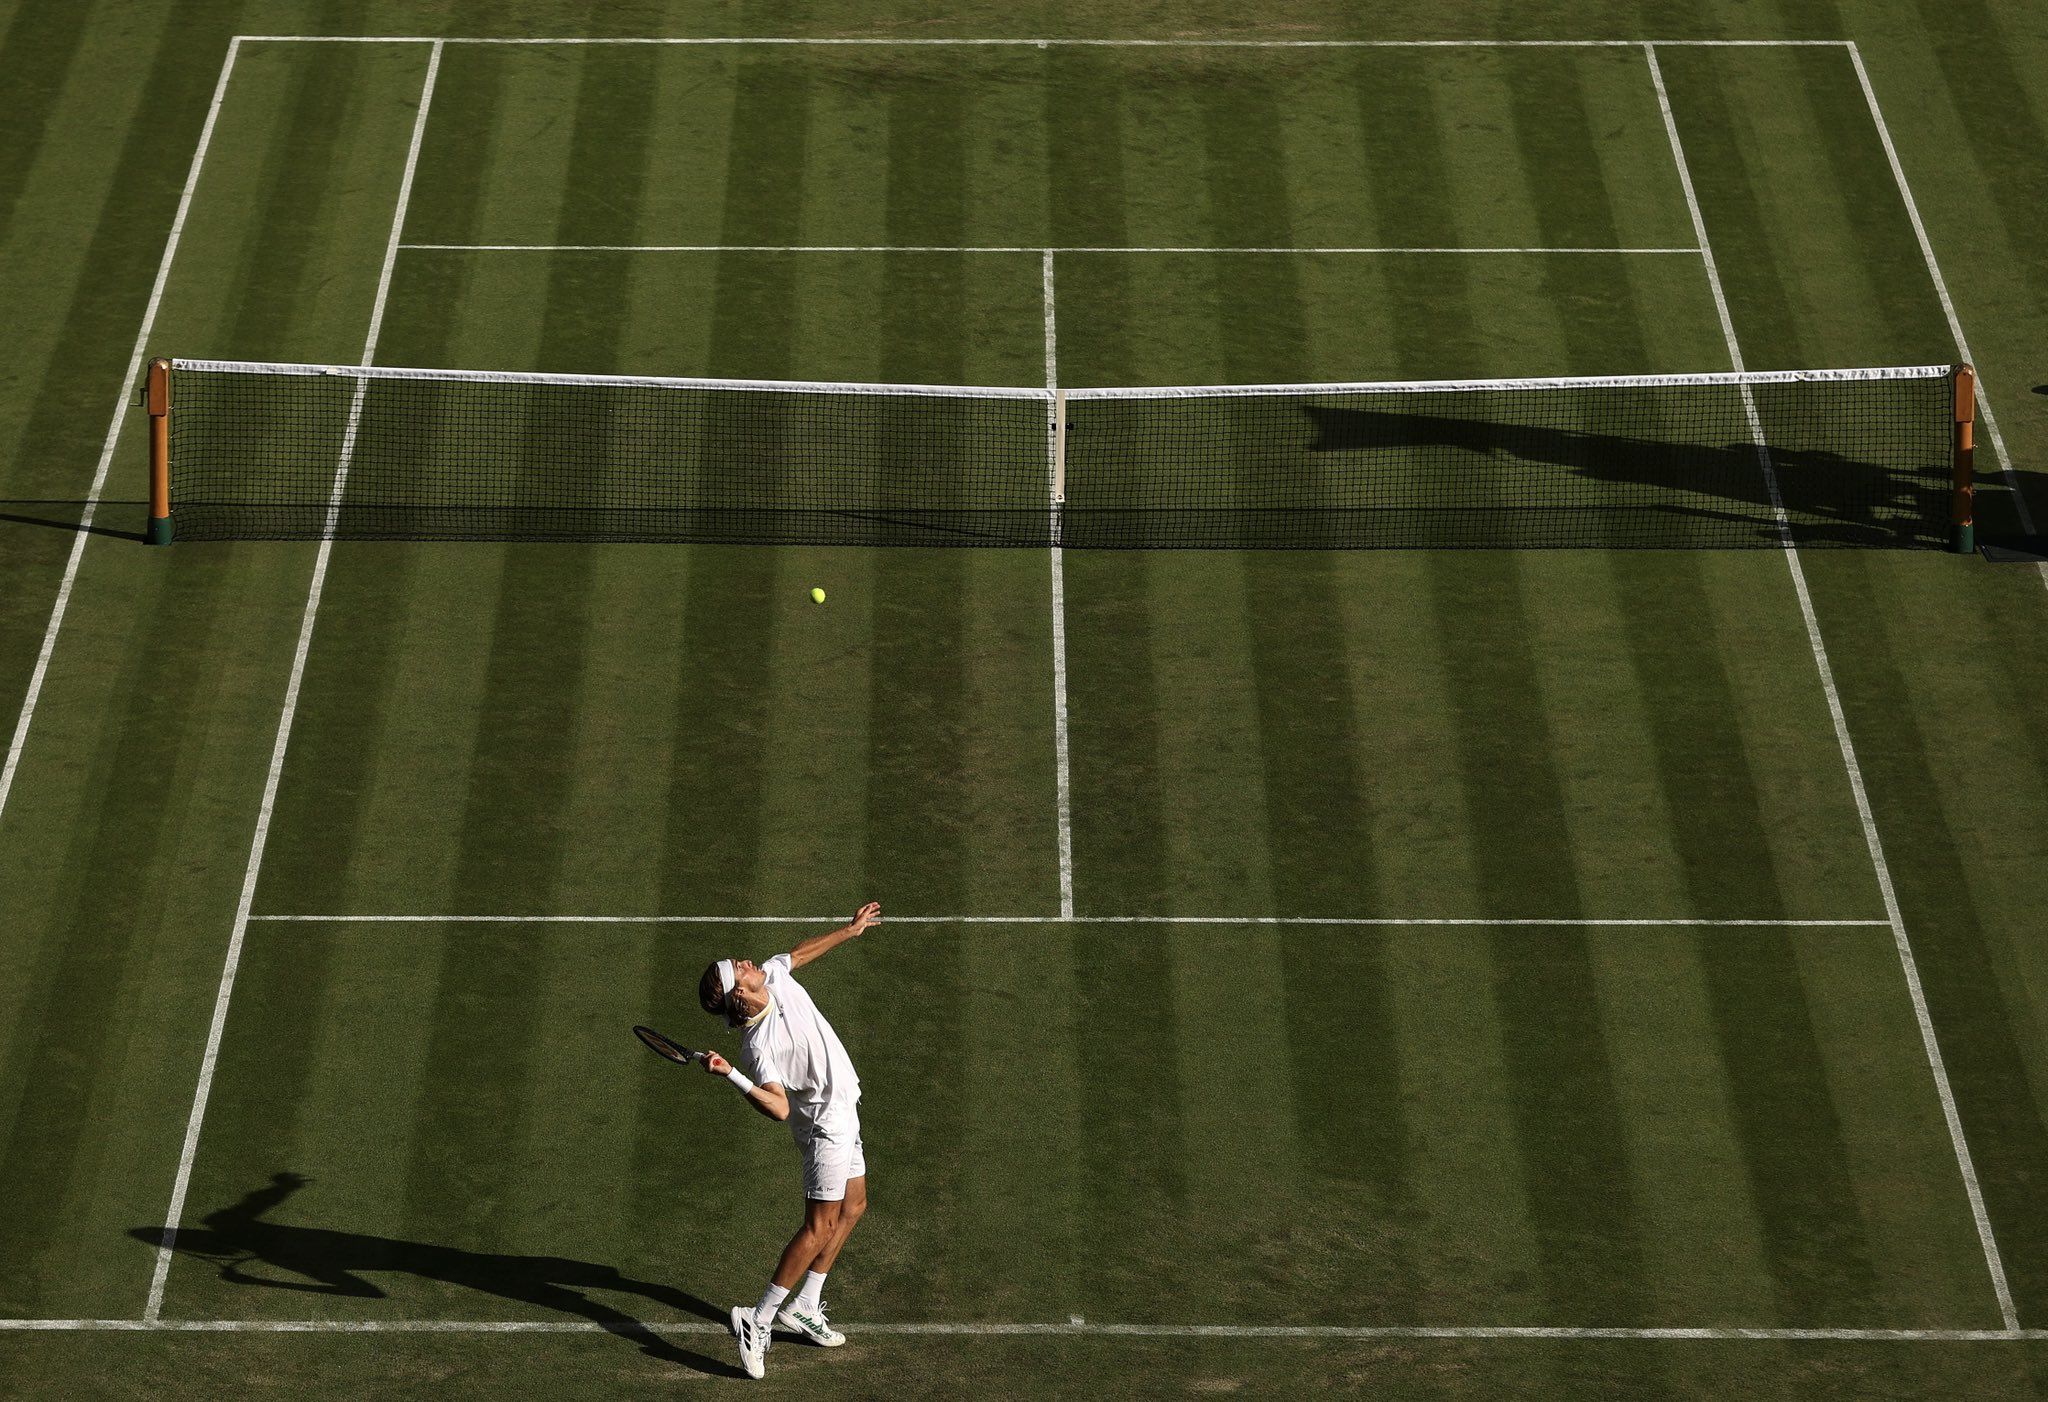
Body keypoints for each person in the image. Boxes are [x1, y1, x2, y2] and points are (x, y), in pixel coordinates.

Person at [698, 901, 880, 1380]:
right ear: (741, 994)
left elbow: (796, 955)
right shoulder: (759, 1048)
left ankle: (804, 1305)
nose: (747, 963)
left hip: (844, 1107)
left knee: (855, 1206)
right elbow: (778, 1108)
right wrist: (733, 1074)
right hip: (824, 1126)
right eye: (738, 969)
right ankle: (758, 1321)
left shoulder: (772, 977)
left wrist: (849, 930)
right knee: (819, 1227)